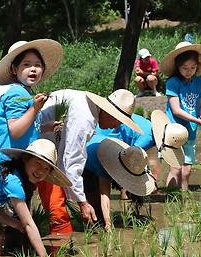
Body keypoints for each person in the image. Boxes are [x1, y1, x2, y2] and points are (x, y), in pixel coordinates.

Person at [39, 89, 142, 230]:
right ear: (109, 112)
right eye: (119, 120)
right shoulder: (85, 118)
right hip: (37, 152)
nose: (117, 126)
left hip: (45, 152)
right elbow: (71, 160)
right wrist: (82, 203)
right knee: (58, 217)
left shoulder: (88, 109)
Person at [0, 39, 63, 161]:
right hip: (7, 163)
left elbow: (26, 126)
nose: (33, 69)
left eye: (37, 65)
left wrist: (45, 127)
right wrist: (34, 109)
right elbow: (15, 131)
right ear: (14, 69)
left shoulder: (26, 93)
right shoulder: (16, 93)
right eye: (26, 64)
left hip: (20, 161)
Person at [162, 41, 201, 190]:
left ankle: (185, 201)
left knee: (186, 171)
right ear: (178, 67)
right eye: (185, 68)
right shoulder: (172, 83)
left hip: (191, 130)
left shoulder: (199, 82)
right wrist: (199, 122)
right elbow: (176, 110)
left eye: (193, 68)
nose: (189, 71)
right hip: (174, 131)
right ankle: (171, 199)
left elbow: (200, 109)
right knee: (175, 169)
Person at [83, 137, 155, 230]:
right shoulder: (105, 166)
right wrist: (108, 223)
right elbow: (104, 195)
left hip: (97, 147)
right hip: (85, 163)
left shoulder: (128, 156)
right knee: (97, 216)